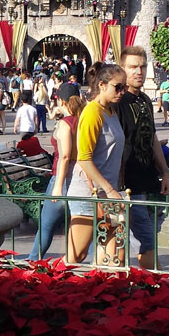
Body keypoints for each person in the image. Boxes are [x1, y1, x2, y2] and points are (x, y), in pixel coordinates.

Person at [65, 65, 126, 265]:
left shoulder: (111, 111)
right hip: (89, 193)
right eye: (118, 87)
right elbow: (84, 157)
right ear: (102, 85)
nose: (122, 92)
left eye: (123, 87)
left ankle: (104, 291)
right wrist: (108, 189)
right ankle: (43, 289)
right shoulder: (93, 112)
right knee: (76, 256)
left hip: (109, 194)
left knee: (114, 256)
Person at [119, 46, 169, 271]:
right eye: (132, 67)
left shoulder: (144, 100)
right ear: (122, 69)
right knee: (144, 239)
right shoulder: (118, 101)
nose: (139, 71)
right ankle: (157, 281)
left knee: (131, 239)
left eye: (142, 66)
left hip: (144, 181)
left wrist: (165, 173)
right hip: (125, 185)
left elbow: (152, 138)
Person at [27, 86, 82, 261]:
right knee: (81, 224)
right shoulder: (82, 120)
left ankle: (33, 260)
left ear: (61, 101)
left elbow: (65, 155)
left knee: (46, 225)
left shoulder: (66, 123)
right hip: (81, 177)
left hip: (62, 177)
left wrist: (58, 185)